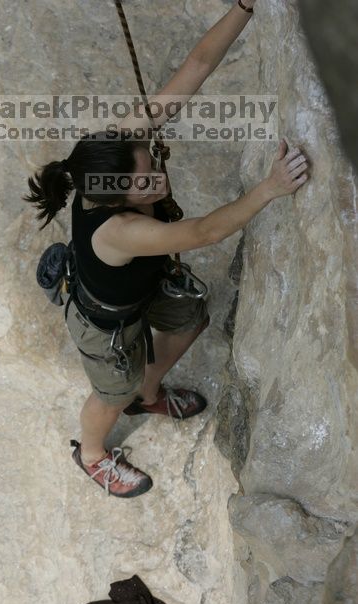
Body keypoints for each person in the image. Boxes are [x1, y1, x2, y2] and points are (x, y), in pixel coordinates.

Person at [24, 0, 310, 498]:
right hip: (106, 324)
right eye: (143, 184)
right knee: (109, 393)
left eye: (148, 165)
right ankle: (91, 453)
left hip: (141, 286)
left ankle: (147, 392)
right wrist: (270, 188)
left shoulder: (121, 147)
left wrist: (244, 7)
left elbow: (196, 65)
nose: (157, 180)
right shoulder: (118, 229)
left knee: (191, 316)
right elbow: (203, 233)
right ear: (115, 198)